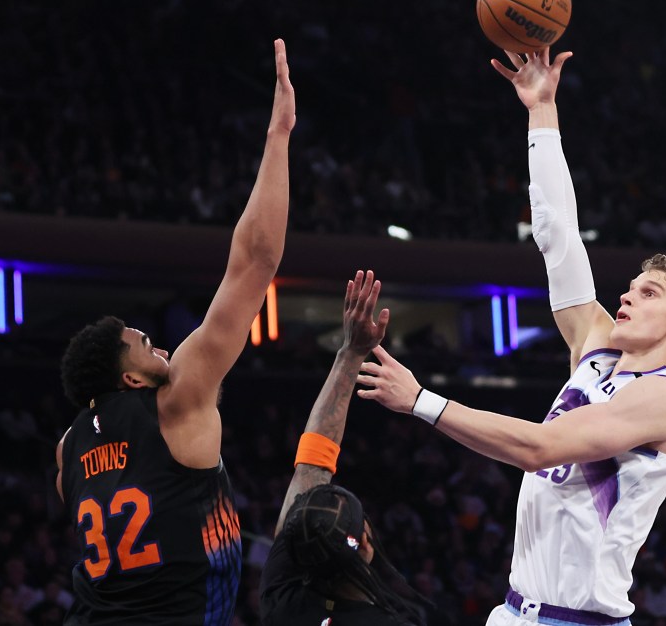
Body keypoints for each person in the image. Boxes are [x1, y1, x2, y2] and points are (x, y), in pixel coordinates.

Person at [357, 46, 666, 626]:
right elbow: (559, 237)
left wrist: (421, 402)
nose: (626, 296)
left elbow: (539, 448)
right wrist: (541, 112)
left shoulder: (665, 398)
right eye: (629, 287)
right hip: (515, 611)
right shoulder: (596, 352)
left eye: (649, 293)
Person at [55, 38, 296, 625]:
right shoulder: (177, 400)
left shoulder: (69, 448)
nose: (157, 343)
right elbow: (256, 261)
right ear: (132, 376)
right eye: (143, 343)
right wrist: (279, 136)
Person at [259, 269, 430, 626]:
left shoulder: (282, 599)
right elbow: (312, 468)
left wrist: (350, 353)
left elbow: (310, 467)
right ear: (366, 543)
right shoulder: (393, 624)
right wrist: (352, 353)